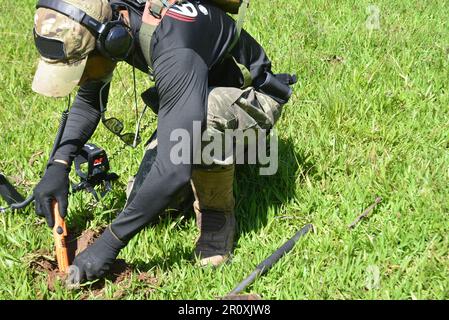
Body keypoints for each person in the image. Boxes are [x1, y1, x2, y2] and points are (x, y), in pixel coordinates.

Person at [31, 0, 296, 282]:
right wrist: (57, 166)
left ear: (113, 39)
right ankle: (207, 168)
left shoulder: (174, 48)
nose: (81, 77)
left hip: (252, 98)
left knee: (199, 133)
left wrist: (109, 243)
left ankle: (216, 213)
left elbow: (174, 169)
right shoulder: (111, 19)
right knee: (145, 200)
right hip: (199, 86)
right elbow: (88, 103)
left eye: (82, 67)